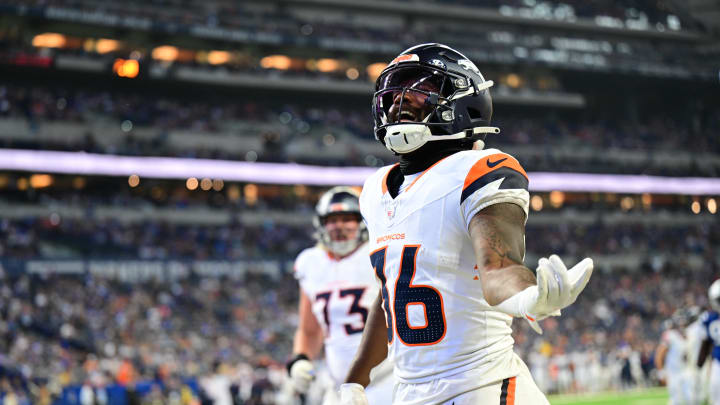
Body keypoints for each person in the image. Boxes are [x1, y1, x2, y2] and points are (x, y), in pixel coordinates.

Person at [338, 43, 594, 405]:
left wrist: (528, 296)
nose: (401, 101)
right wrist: (355, 381)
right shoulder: (374, 190)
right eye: (395, 92)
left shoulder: (480, 169)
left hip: (484, 389)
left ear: (464, 102)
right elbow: (389, 298)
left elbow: (499, 267)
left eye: (420, 89)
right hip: (410, 395)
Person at [288, 187, 394, 404]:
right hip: (338, 387)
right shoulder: (310, 262)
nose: (339, 226)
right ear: (321, 224)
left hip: (388, 380)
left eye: (348, 219)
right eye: (332, 220)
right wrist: (300, 358)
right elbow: (309, 330)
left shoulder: (380, 253)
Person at [655, 311, 688, 405]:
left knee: (687, 399)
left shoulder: (686, 335)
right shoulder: (670, 335)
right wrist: (661, 373)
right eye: (680, 321)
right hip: (673, 372)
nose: (682, 323)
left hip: (684, 371)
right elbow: (659, 354)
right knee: (676, 400)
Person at [698, 279, 720, 405]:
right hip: (717, 363)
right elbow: (705, 345)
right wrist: (698, 367)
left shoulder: (708, 319)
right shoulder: (708, 319)